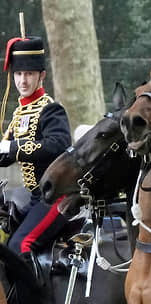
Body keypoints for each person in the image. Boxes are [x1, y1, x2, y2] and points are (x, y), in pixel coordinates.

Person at [0, 36, 71, 257]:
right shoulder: (19, 112)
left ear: (41, 76)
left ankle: (34, 293)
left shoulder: (51, 109)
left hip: (55, 197)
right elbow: (4, 154)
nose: (23, 81)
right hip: (33, 197)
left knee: (19, 247)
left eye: (29, 74)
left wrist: (11, 148)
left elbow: (58, 144)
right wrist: (6, 149)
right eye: (19, 74)